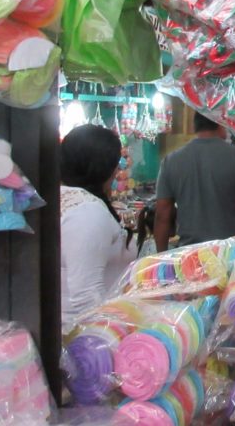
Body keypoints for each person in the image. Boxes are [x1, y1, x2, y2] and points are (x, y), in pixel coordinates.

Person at [60, 125, 136, 326]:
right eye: (116, 163)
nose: (118, 169)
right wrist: (109, 338)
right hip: (80, 334)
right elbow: (86, 295)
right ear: (106, 168)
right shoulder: (87, 212)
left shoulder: (65, 198)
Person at [154, 112, 235, 251]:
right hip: (230, 253)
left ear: (195, 127)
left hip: (190, 253)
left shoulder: (170, 161)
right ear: (220, 124)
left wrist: (161, 256)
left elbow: (162, 214)